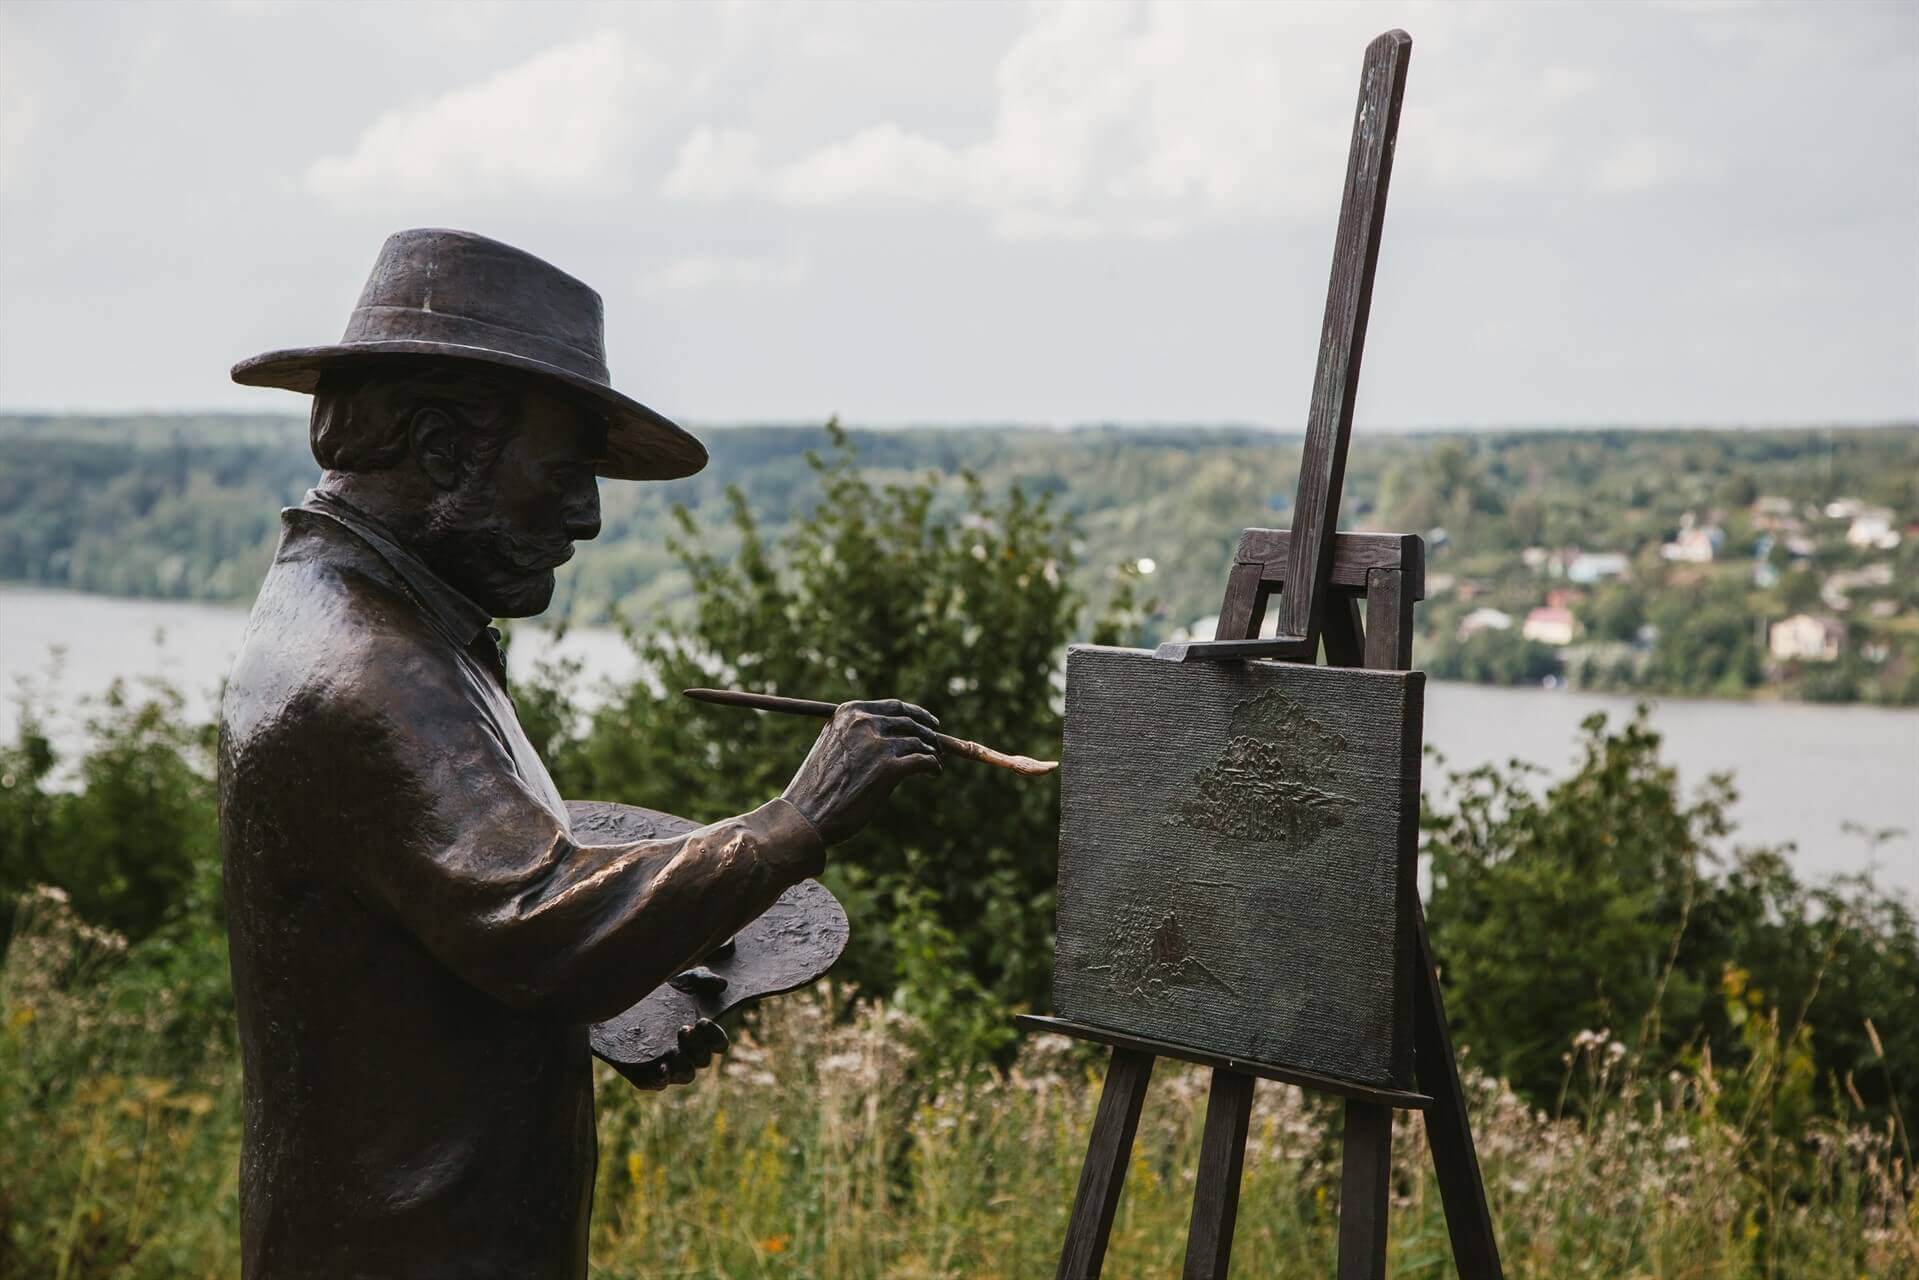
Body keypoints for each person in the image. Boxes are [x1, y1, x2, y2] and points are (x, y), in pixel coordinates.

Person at [220, 228, 941, 1278]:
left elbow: (455, 903)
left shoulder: (377, 620)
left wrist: (629, 989)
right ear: (435, 449)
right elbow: (539, 921)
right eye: (559, 472)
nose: (587, 515)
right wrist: (796, 820)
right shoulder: (372, 669)